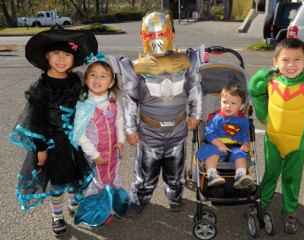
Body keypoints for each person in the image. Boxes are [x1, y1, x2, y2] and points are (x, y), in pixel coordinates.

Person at [9, 29, 98, 236]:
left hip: (75, 142)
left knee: (75, 177)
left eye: (67, 54)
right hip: (51, 145)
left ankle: (75, 206)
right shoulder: (41, 87)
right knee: (57, 182)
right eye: (56, 53)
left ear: (74, 58)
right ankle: (57, 214)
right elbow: (35, 120)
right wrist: (40, 148)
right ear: (47, 56)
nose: (61, 59)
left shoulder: (77, 81)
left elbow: (86, 106)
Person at [117, 12, 203, 217]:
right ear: (143, 36)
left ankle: (175, 195)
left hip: (178, 128)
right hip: (149, 131)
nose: (157, 38)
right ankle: (140, 199)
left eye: (162, 32)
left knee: (175, 169)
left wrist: (196, 114)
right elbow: (129, 100)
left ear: (171, 33)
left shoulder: (187, 60)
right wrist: (130, 128)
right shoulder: (135, 68)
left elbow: (195, 89)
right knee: (146, 171)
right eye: (151, 34)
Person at [248, 38, 304, 234]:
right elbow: (256, 92)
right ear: (276, 61)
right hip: (273, 139)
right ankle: (263, 203)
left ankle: (290, 211)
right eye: (285, 60)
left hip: (297, 142)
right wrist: (263, 115)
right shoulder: (270, 80)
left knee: (292, 178)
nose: (291, 65)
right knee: (270, 173)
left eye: (297, 60)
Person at [72, 51, 129, 227]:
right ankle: (95, 213)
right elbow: (79, 134)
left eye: (103, 76)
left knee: (111, 177)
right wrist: (94, 154)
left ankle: (110, 204)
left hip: (112, 152)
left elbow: (120, 122)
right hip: (95, 155)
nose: (97, 79)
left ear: (111, 82)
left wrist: (120, 141)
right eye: (93, 75)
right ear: (86, 79)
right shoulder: (84, 106)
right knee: (96, 181)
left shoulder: (113, 101)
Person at [196, 84, 253, 188]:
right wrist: (219, 144)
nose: (228, 106)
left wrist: (245, 143)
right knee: (213, 154)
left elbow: (244, 134)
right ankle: (212, 175)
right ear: (220, 102)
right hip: (215, 145)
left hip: (234, 147)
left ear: (241, 106)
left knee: (240, 156)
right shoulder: (217, 118)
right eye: (224, 102)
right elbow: (209, 133)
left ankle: (240, 176)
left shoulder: (243, 120)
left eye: (233, 103)